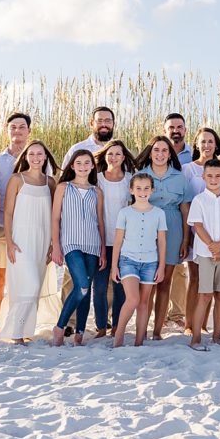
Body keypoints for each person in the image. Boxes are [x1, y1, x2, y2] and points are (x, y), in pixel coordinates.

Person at [0, 140, 58, 343]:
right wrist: (9, 241)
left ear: (45, 157)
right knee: (27, 286)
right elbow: (8, 213)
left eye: (39, 154)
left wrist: (52, 244)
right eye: (31, 154)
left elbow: (53, 216)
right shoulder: (17, 179)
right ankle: (14, 332)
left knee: (36, 286)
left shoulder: (50, 183)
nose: (35, 158)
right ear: (25, 157)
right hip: (20, 241)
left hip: (42, 241)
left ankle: (25, 331)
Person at [135, 135, 193, 340]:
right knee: (147, 282)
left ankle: (157, 331)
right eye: (156, 150)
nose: (160, 154)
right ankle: (142, 327)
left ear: (170, 154)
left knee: (165, 282)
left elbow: (186, 210)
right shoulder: (140, 175)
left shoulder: (179, 177)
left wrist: (186, 240)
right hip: (145, 227)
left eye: (164, 150)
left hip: (173, 228)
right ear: (150, 153)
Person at [50, 150, 106, 347]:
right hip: (71, 243)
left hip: (92, 244)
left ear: (92, 166)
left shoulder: (96, 191)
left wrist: (103, 250)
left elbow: (100, 222)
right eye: (79, 163)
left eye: (87, 163)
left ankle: (80, 332)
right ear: (72, 166)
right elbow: (55, 218)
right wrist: (56, 246)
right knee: (81, 285)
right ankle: (59, 327)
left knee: (87, 289)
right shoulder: (64, 187)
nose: (83, 166)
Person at [186, 159, 220, 351]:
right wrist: (212, 246)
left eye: (218, 176)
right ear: (203, 177)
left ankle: (217, 336)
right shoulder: (199, 200)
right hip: (206, 253)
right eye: (209, 176)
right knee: (205, 295)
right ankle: (196, 338)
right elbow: (197, 225)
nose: (214, 179)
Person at [111, 174, 167, 348]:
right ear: (131, 190)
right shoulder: (125, 213)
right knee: (133, 299)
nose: (142, 192)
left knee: (144, 302)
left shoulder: (159, 213)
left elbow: (162, 242)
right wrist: (114, 266)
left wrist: (162, 266)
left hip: (151, 262)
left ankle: (139, 342)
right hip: (128, 260)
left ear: (152, 190)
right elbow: (118, 241)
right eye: (138, 188)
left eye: (146, 188)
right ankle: (118, 337)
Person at [0, 112, 32, 338]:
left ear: (29, 131)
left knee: (24, 279)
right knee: (0, 278)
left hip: (29, 227)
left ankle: (21, 326)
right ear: (7, 131)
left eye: (21, 127)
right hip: (3, 226)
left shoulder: (36, 157)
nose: (17, 131)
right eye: (13, 127)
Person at [181, 127, 220, 335]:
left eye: (210, 141)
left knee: (213, 281)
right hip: (195, 229)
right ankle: (190, 324)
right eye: (203, 141)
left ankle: (204, 323)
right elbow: (186, 203)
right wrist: (188, 235)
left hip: (218, 232)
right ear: (196, 144)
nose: (206, 145)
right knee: (196, 277)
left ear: (216, 144)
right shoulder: (189, 169)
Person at [92, 140, 135, 337]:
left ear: (123, 158)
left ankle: (118, 325)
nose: (114, 157)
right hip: (100, 240)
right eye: (110, 154)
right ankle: (101, 326)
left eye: (118, 154)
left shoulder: (130, 179)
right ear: (105, 156)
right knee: (100, 286)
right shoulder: (97, 179)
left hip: (124, 242)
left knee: (119, 287)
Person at [163, 113, 192, 327]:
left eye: (179, 127)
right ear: (165, 131)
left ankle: (177, 313)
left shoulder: (194, 154)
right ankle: (160, 314)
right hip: (159, 218)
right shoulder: (157, 151)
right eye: (171, 127)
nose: (176, 130)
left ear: (185, 130)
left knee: (180, 268)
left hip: (184, 214)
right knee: (157, 267)